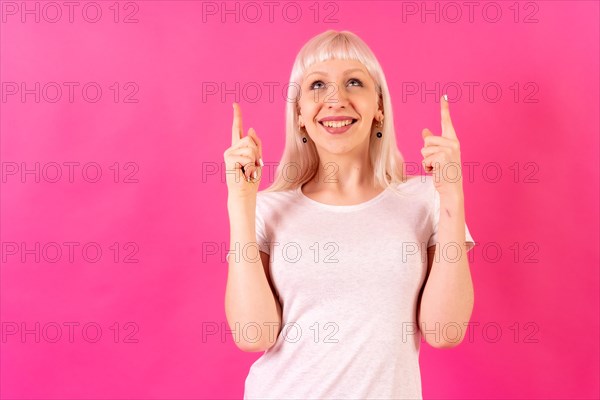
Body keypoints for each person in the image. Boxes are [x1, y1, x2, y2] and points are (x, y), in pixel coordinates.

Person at [224, 30, 476, 400]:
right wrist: (239, 203)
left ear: (379, 107)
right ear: (299, 116)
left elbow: (445, 330)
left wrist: (452, 195)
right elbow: (252, 334)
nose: (335, 99)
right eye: (317, 85)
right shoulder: (266, 208)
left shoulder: (426, 199)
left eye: (353, 82)